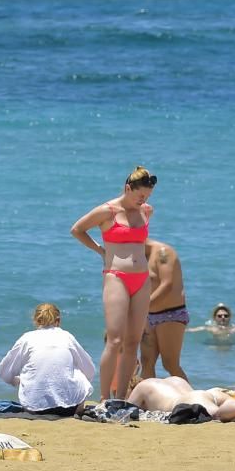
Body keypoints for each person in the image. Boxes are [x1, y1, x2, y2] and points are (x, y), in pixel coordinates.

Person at [71, 166, 157, 400]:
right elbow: (77, 230)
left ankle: (120, 398)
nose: (143, 200)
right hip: (116, 276)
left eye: (147, 196)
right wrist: (100, 250)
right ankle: (104, 397)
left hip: (142, 278)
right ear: (128, 188)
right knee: (115, 339)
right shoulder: (107, 211)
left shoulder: (146, 211)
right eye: (140, 195)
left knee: (133, 342)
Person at [0, 303, 95, 416]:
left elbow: (3, 372)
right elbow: (90, 370)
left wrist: (17, 381)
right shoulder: (66, 337)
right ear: (59, 320)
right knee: (78, 372)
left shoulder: (27, 339)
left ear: (36, 320)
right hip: (69, 408)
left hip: (34, 407)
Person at [139, 239, 188, 380]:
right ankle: (146, 400)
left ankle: (191, 398)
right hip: (148, 315)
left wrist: (141, 308)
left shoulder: (162, 252)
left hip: (170, 314)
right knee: (146, 362)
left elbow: (167, 284)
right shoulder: (136, 257)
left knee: (170, 364)